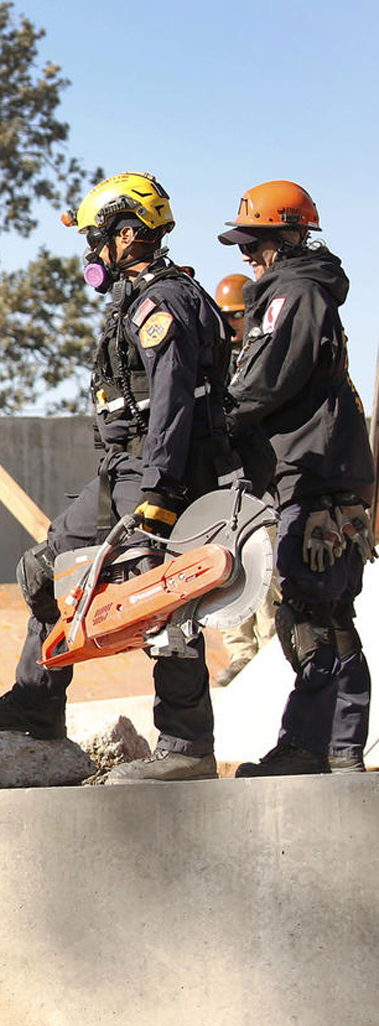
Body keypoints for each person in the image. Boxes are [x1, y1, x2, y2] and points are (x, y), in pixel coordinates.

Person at [0, 172, 233, 783]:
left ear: (127, 235)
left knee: (164, 598)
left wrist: (159, 492)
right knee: (48, 570)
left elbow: (173, 401)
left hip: (161, 474)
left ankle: (186, 747)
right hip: (127, 472)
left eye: (95, 237)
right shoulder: (140, 299)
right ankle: (38, 699)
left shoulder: (163, 301)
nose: (89, 252)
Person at [219, 182, 374, 775]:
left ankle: (311, 748)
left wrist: (217, 423)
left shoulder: (294, 293)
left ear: (287, 237)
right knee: (329, 618)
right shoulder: (303, 291)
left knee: (311, 617)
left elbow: (267, 380)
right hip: (325, 479)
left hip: (313, 481)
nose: (246, 255)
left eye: (253, 242)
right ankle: (338, 751)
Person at [212, 271, 277, 686]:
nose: (232, 324)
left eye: (237, 315)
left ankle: (271, 655)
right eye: (227, 317)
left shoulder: (260, 357)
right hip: (226, 491)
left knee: (265, 576)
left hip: (262, 488)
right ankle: (241, 654)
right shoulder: (219, 364)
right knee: (229, 576)